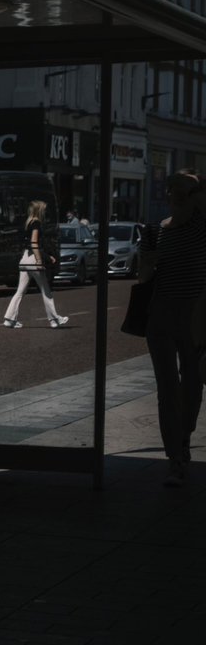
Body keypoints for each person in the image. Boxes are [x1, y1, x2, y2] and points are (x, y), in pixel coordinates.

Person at [138, 168, 206, 487]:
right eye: (171, 190)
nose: (173, 197)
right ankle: (175, 458)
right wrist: (148, 264)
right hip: (161, 316)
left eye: (182, 192)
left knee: (192, 385)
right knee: (167, 388)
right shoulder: (156, 230)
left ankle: (184, 437)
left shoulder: (202, 227)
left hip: (195, 317)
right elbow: (143, 279)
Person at [2, 198, 69, 329]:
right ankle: (54, 320)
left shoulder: (27, 223)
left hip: (24, 258)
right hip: (33, 258)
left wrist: (47, 256)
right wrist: (39, 260)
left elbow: (29, 244)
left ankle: (9, 319)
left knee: (20, 291)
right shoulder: (37, 223)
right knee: (45, 290)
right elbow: (34, 243)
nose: (45, 212)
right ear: (39, 211)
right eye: (44, 210)